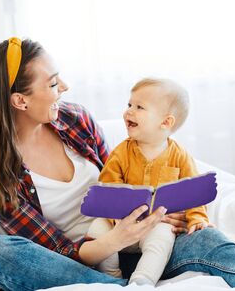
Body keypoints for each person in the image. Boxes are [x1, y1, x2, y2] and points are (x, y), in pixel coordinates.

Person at [0, 37, 235, 291]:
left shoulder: (74, 119)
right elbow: (58, 251)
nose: (65, 87)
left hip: (140, 243)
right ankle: (110, 287)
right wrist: (113, 240)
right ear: (20, 100)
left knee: (207, 241)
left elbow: (121, 175)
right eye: (53, 84)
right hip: (81, 261)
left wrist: (159, 209)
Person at [87, 78, 215, 286]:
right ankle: (111, 277)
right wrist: (116, 218)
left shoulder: (180, 156)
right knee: (96, 229)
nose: (129, 111)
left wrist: (197, 218)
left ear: (165, 122)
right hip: (120, 227)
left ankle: (142, 281)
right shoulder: (121, 152)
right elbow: (108, 187)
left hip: (154, 225)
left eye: (139, 107)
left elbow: (193, 194)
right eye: (129, 104)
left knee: (163, 238)